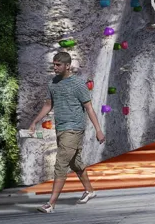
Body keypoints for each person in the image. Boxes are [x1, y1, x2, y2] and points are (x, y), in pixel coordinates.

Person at [31, 51, 102, 213]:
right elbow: (48, 105)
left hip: (74, 128)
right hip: (61, 128)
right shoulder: (52, 84)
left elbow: (89, 107)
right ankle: (90, 190)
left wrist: (98, 130)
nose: (55, 68)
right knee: (74, 162)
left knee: (61, 164)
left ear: (68, 66)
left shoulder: (78, 84)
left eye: (58, 65)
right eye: (54, 65)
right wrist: (35, 121)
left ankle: (51, 204)